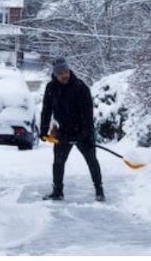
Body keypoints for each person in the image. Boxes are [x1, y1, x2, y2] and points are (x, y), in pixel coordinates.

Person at [39, 56, 104, 202]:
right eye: (61, 73)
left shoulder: (80, 87)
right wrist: (43, 130)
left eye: (66, 72)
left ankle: (99, 189)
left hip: (82, 131)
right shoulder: (51, 88)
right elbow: (46, 110)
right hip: (63, 131)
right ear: (55, 74)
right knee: (58, 162)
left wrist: (85, 134)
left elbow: (87, 113)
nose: (64, 75)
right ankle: (57, 191)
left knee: (91, 160)